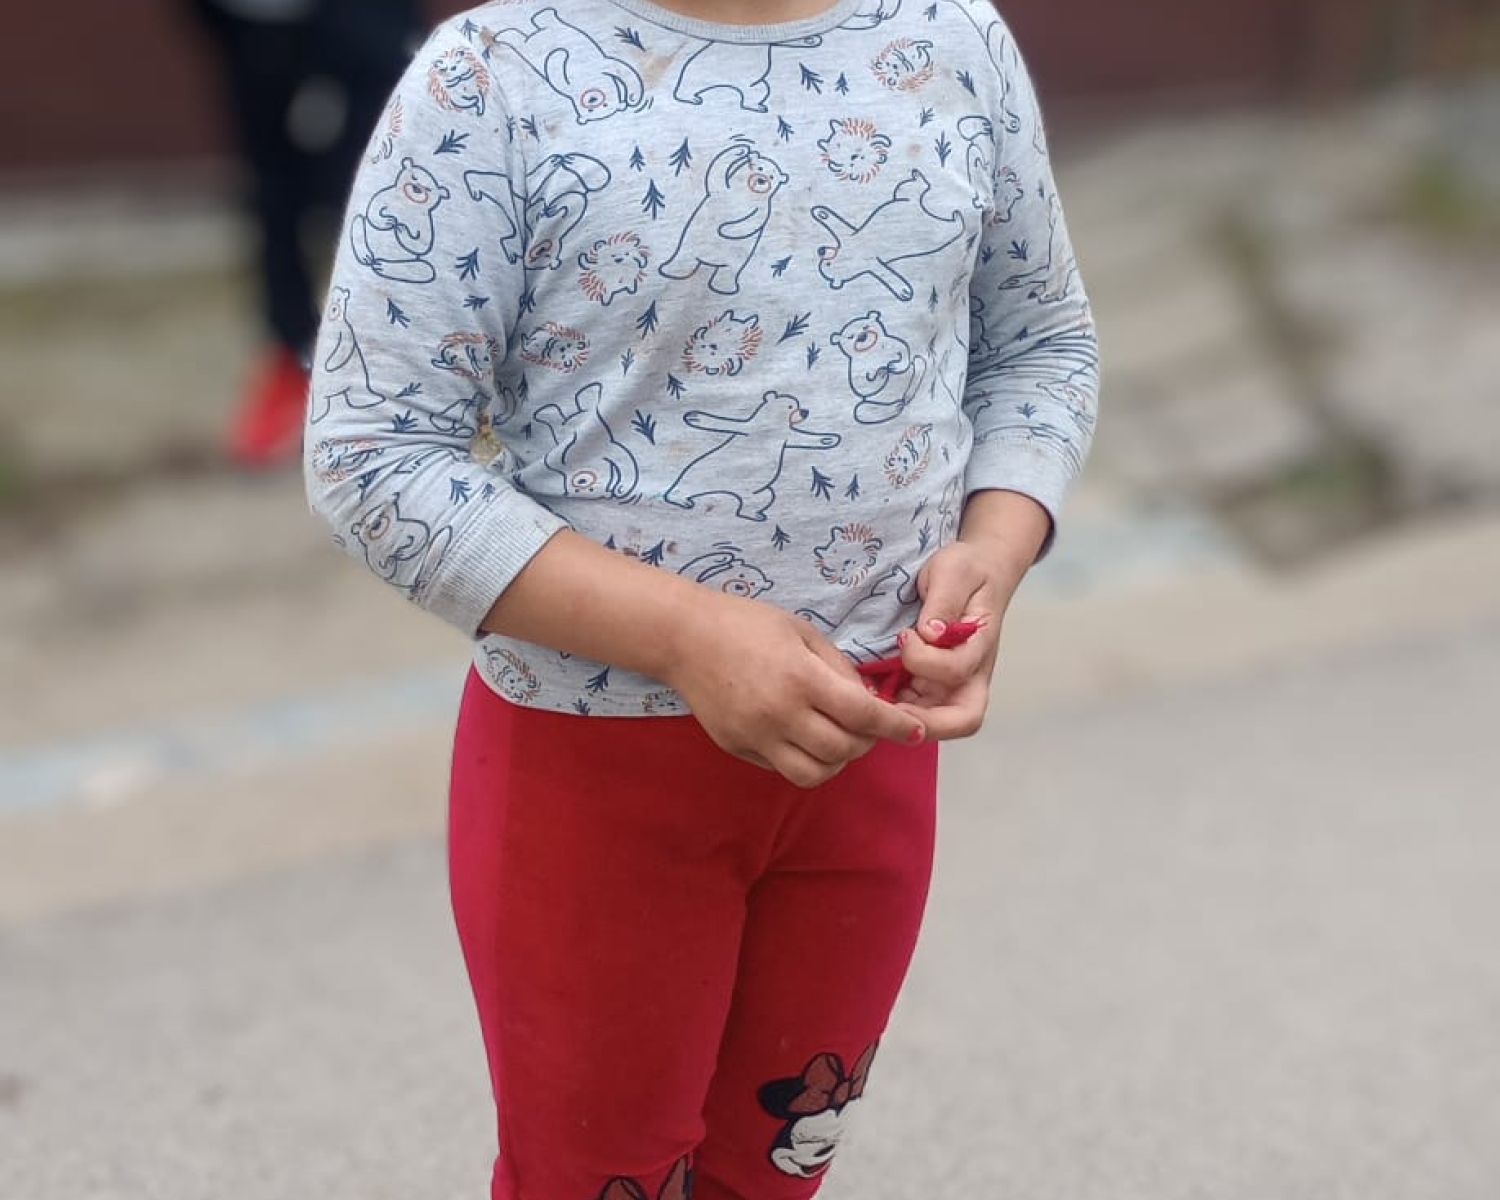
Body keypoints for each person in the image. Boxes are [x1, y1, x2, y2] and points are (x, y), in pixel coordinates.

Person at [303, 0, 1099, 1195]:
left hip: (869, 747)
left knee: (775, 1169)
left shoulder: (950, 37)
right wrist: (684, 637)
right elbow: (372, 458)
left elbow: (1040, 347)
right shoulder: (495, 78)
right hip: (590, 770)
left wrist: (999, 537)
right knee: (593, 1180)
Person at [188, 0, 422, 466]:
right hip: (253, 21)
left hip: (364, 21)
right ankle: (293, 358)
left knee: (379, 180)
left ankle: (399, 370)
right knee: (272, 194)